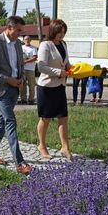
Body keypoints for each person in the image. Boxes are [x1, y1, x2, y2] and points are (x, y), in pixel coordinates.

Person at [0, 16, 32, 175]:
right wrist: (7, 80)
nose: (20, 34)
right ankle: (20, 162)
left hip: (15, 87)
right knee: (10, 121)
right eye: (18, 30)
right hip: (1, 88)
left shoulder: (18, 43)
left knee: (1, 121)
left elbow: (20, 64)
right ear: (9, 27)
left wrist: (22, 78)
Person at [36, 19, 72, 161]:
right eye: (59, 32)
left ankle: (65, 147)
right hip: (46, 87)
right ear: (53, 31)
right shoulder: (45, 45)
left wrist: (72, 68)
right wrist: (58, 72)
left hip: (60, 86)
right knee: (46, 118)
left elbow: (66, 62)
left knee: (63, 117)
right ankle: (42, 146)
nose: (61, 35)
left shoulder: (63, 44)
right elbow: (41, 67)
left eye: (63, 32)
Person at [20, 35, 37, 105]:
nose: (27, 40)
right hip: (22, 69)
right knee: (22, 85)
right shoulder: (21, 48)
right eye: (25, 39)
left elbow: (35, 58)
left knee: (31, 85)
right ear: (23, 40)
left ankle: (31, 99)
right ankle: (23, 99)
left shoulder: (33, 48)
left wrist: (26, 62)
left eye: (28, 39)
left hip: (30, 69)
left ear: (30, 40)